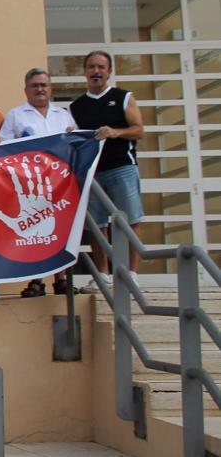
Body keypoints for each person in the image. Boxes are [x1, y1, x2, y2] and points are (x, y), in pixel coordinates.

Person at [70, 50, 146, 291]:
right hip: (92, 173)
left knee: (131, 219)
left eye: (101, 67)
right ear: (85, 72)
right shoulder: (77, 106)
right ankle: (103, 274)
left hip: (121, 167)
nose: (96, 72)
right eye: (91, 67)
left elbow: (139, 130)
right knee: (96, 224)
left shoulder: (123, 97)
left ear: (109, 71)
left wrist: (115, 132)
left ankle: (132, 273)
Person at [0, 68, 77, 297]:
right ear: (26, 89)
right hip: (31, 188)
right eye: (35, 85)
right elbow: (5, 147)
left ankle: (62, 279)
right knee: (34, 233)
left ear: (50, 88)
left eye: (44, 85)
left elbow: (76, 144)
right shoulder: (15, 115)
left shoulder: (63, 116)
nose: (40, 89)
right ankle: (36, 280)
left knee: (62, 231)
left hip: (61, 186)